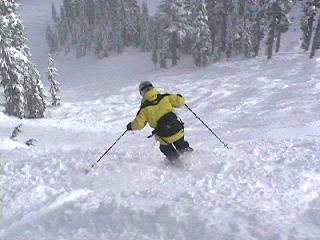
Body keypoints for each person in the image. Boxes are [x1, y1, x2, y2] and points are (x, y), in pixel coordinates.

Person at [126, 81, 193, 161]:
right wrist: (179, 97)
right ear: (152, 87)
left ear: (142, 93)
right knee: (181, 143)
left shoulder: (144, 109)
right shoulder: (165, 97)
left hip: (164, 136)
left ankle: (176, 161)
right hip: (177, 130)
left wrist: (130, 126)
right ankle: (189, 156)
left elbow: (139, 124)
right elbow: (180, 102)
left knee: (165, 148)